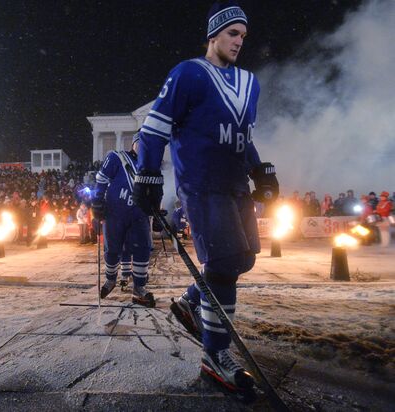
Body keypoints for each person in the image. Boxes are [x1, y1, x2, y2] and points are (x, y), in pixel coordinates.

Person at [133, 1, 279, 392]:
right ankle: (215, 354)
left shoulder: (251, 83)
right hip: (201, 184)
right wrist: (148, 172)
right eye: (232, 33)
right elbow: (153, 128)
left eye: (243, 36)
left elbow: (242, 138)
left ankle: (188, 301)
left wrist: (258, 168)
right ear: (213, 34)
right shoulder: (188, 73)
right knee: (225, 261)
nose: (239, 42)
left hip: (234, 185)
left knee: (242, 260)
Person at [92, 132, 155, 307]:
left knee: (142, 250)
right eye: (141, 143)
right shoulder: (116, 157)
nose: (144, 147)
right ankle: (110, 280)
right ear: (134, 143)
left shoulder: (150, 167)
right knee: (112, 249)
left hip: (139, 216)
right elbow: (102, 179)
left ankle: (139, 289)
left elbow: (154, 192)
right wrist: (97, 200)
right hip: (115, 214)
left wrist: (156, 210)